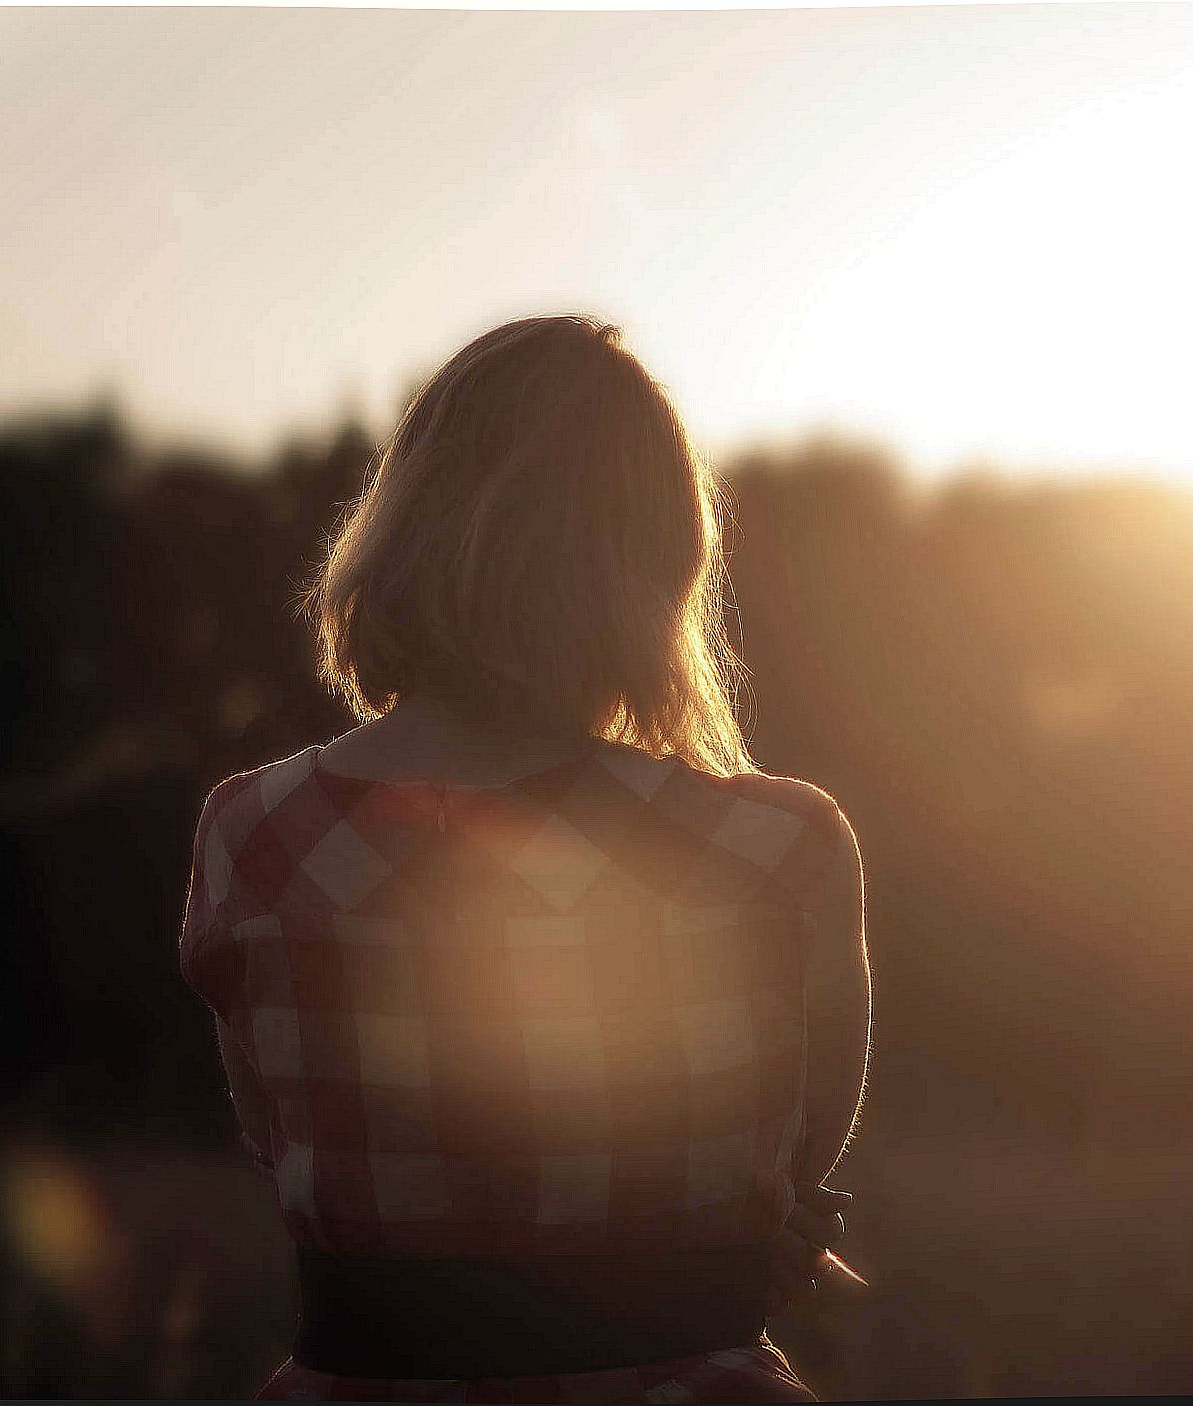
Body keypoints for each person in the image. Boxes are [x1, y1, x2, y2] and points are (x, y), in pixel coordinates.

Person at [177, 315, 871, 1403]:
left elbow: (292, 1149)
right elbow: (794, 1162)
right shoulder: (777, 847)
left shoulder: (251, 833)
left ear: (404, 524)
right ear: (658, 561)